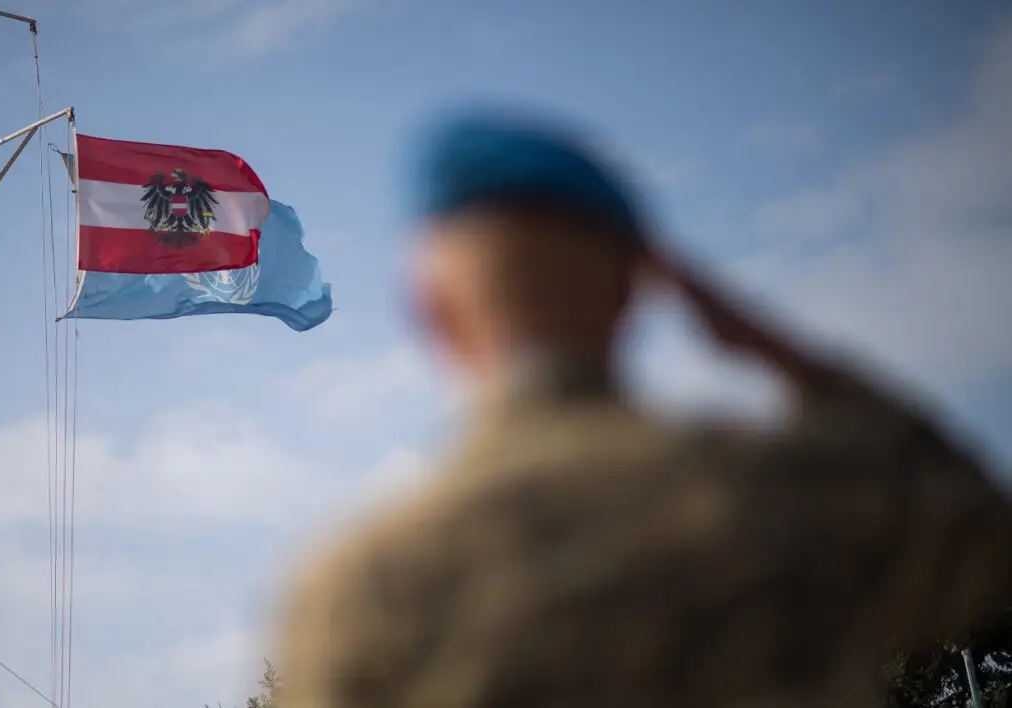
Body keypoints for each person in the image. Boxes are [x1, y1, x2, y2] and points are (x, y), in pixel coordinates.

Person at [276, 109, 1012, 708]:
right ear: (639, 289)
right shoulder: (795, 491)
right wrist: (787, 354)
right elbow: (985, 549)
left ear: (431, 313)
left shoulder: (357, 591)